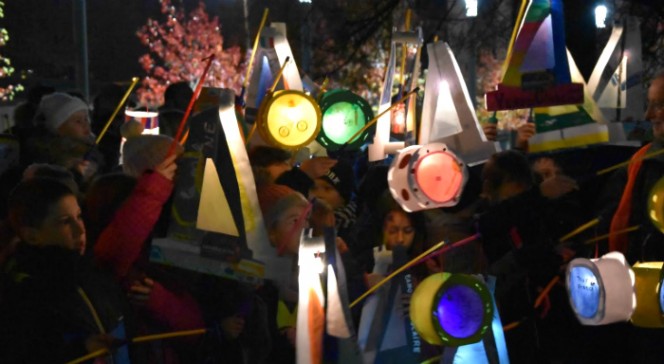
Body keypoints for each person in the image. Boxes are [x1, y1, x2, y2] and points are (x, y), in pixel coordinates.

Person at [0, 178, 133, 363]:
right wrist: (80, 349)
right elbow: (25, 351)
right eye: (64, 222)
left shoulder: (90, 269)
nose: (80, 230)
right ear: (31, 235)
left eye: (79, 216)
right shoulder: (24, 292)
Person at [595, 71, 664, 363]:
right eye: (649, 105)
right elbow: (611, 222)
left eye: (659, 105)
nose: (649, 115)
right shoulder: (639, 163)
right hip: (642, 304)